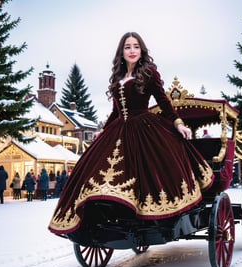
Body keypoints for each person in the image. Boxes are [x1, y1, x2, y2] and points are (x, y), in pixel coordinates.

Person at [49, 32, 214, 235]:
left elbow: (163, 101)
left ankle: (150, 214)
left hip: (144, 127)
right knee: (99, 166)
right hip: (120, 128)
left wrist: (178, 123)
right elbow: (116, 112)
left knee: (148, 168)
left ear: (141, 50)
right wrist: (102, 132)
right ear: (122, 51)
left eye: (136, 46)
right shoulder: (118, 78)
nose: (132, 50)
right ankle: (108, 209)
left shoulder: (149, 72)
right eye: (128, 47)